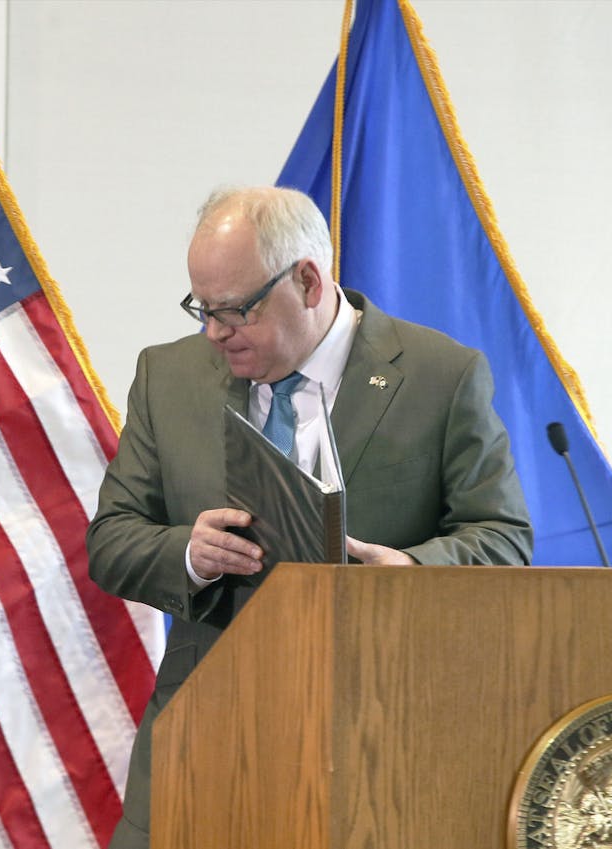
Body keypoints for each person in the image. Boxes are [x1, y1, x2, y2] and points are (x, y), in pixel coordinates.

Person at [86, 185, 532, 848]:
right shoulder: (168, 376)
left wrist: (407, 568)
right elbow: (111, 540)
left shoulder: (443, 376)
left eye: (234, 310)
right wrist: (189, 551)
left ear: (308, 280)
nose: (213, 332)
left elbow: (503, 539)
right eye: (201, 309)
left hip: (375, 756)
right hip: (203, 748)